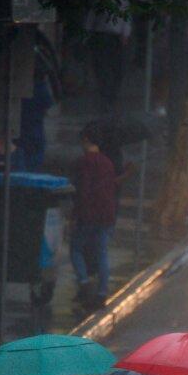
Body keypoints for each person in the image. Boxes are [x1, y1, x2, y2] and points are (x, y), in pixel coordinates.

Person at [71, 124, 117, 310]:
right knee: (101, 253)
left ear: (86, 140)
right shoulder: (107, 162)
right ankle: (102, 292)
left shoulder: (83, 162)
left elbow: (82, 190)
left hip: (88, 213)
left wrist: (75, 215)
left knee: (76, 249)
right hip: (106, 214)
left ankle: (84, 282)